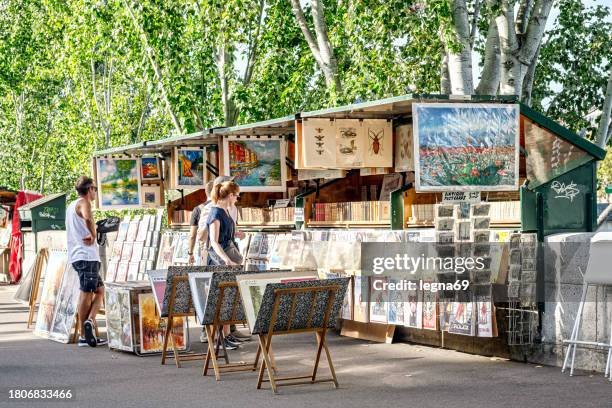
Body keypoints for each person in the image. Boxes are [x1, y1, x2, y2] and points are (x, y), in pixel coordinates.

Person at [205, 180, 250, 349]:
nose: (237, 199)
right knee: (220, 299)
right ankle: (219, 338)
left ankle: (226, 335)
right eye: (237, 195)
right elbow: (214, 242)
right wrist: (226, 259)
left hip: (227, 259)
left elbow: (225, 235)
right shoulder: (216, 213)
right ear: (230, 195)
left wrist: (237, 233)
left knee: (227, 298)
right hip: (220, 261)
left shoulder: (224, 211)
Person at [66, 176, 107, 347]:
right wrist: (92, 233)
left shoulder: (71, 205)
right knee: (86, 292)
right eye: (95, 188)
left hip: (80, 256)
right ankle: (84, 334)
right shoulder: (84, 202)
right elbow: (88, 217)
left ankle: (89, 322)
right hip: (86, 256)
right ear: (89, 189)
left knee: (99, 290)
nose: (96, 192)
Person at [188, 181, 214, 266]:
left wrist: (190, 253)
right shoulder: (224, 207)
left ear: (206, 192)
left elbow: (192, 235)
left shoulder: (198, 209)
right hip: (225, 250)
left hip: (207, 249)